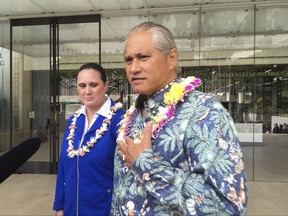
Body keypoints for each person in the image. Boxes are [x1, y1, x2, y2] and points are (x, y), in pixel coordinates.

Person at [111, 22, 247, 215]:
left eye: (143, 57)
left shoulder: (204, 112)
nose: (133, 68)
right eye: (128, 60)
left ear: (171, 58)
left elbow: (228, 207)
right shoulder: (131, 116)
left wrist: (147, 165)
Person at [53, 63, 125, 216]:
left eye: (93, 85)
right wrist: (59, 206)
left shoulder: (120, 121)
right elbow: (63, 168)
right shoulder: (74, 121)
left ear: (106, 85)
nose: (87, 91)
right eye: (82, 85)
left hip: (103, 209)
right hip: (72, 208)